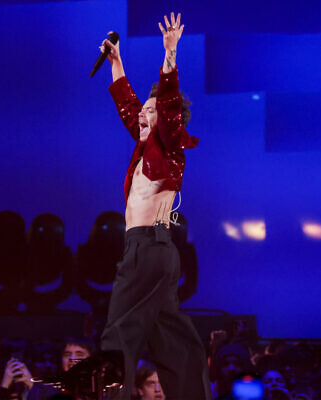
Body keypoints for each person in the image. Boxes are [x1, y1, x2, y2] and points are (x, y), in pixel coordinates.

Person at [98, 11, 211, 400]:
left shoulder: (169, 145)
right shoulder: (145, 146)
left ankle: (108, 395)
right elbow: (129, 107)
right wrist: (116, 62)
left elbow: (165, 105)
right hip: (156, 250)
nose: (142, 116)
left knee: (120, 331)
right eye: (143, 112)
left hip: (147, 248)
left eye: (151, 112)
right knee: (172, 337)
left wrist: (170, 56)